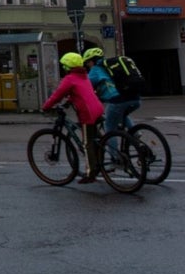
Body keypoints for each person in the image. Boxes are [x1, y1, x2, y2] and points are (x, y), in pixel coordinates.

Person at [42, 52, 105, 181]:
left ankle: (90, 173)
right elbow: (79, 92)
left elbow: (57, 95)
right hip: (98, 109)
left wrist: (46, 107)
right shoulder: (84, 76)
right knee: (97, 139)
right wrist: (69, 101)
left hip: (87, 113)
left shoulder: (69, 79)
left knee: (87, 144)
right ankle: (100, 161)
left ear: (67, 67)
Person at [87, 47, 141, 162]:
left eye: (87, 63)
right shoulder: (111, 67)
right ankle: (135, 134)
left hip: (118, 100)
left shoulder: (95, 70)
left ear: (92, 61)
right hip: (135, 98)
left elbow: (86, 87)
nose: (88, 65)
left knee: (109, 127)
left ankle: (116, 158)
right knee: (121, 115)